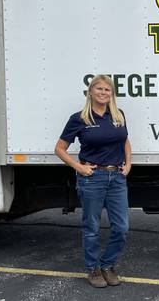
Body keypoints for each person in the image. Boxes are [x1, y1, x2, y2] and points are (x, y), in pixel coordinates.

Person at [54, 75, 132, 288]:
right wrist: (79, 167)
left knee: (122, 227)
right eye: (99, 89)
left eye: (107, 90)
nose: (103, 93)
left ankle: (107, 264)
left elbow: (124, 140)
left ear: (111, 94)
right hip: (92, 179)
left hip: (116, 177)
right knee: (92, 227)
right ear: (90, 92)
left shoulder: (117, 115)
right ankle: (93, 269)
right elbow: (60, 149)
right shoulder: (79, 119)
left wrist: (128, 164)